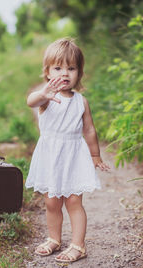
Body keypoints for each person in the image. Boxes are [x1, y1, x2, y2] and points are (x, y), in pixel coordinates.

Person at [25, 38, 110, 263]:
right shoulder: (45, 98)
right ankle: (54, 239)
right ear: (47, 72)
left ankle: (78, 245)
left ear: (79, 73)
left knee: (73, 202)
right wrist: (43, 94)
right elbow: (30, 101)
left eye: (71, 68)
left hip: (73, 156)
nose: (64, 73)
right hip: (50, 157)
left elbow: (89, 130)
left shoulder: (81, 102)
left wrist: (95, 155)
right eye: (58, 68)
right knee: (52, 202)